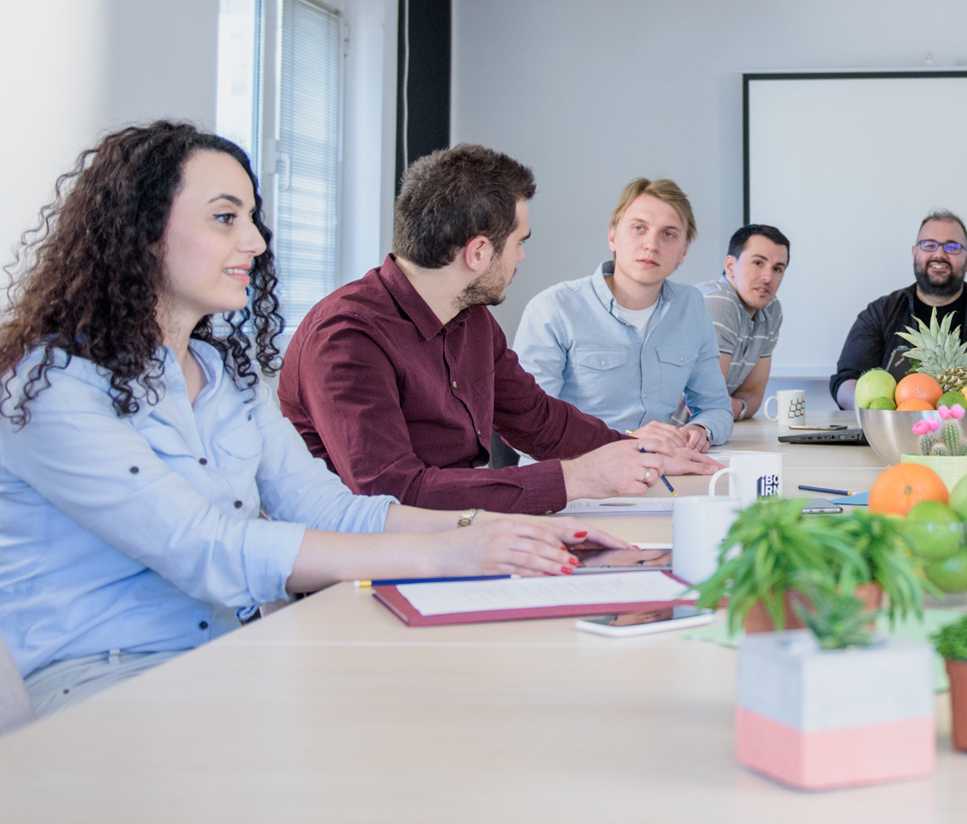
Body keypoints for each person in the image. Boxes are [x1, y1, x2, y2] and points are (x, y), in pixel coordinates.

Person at [0, 123, 625, 717]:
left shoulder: (227, 376)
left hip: (231, 660)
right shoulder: (50, 383)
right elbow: (205, 548)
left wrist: (497, 529)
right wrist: (449, 550)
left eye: (251, 218)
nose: (255, 241)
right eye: (225, 218)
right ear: (140, 231)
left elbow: (331, 509)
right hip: (104, 681)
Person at [281, 147, 718, 515]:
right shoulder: (346, 337)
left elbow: (538, 421)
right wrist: (574, 478)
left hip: (461, 532)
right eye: (519, 242)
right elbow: (393, 497)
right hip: (367, 568)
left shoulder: (471, 318)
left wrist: (638, 451)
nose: (522, 258)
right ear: (478, 252)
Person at [514, 178, 733, 449]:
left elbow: (717, 408)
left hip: (655, 475)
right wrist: (624, 442)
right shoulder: (553, 310)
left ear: (683, 252)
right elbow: (526, 427)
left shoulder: (691, 306)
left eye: (668, 234)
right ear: (613, 236)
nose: (651, 245)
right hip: (573, 477)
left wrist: (702, 428)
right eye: (639, 228)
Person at [831, 211, 967, 410]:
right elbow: (845, 381)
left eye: (952, 247)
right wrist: (887, 411)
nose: (939, 254)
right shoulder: (880, 312)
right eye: (929, 245)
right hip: (897, 433)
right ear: (914, 253)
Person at [697, 224, 789, 422]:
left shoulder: (771, 310)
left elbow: (753, 394)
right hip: (664, 433)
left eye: (778, 269)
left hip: (706, 431)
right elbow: (707, 404)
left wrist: (735, 407)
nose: (768, 277)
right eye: (758, 263)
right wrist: (726, 407)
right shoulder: (720, 302)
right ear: (730, 266)